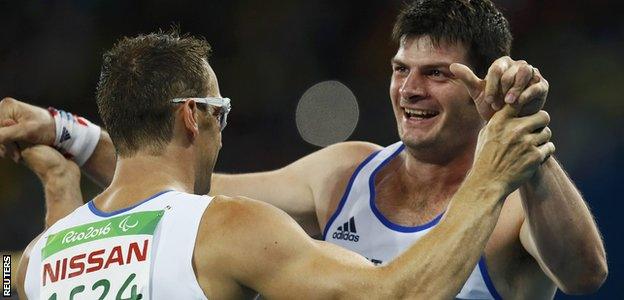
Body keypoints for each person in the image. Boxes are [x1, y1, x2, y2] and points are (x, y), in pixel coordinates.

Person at [0, 0, 607, 298]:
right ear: (194, 117)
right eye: (400, 69)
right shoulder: (341, 173)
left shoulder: (32, 262)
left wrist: (524, 144)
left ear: (482, 88)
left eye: (437, 73)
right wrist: (65, 136)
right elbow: (181, 189)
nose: (410, 88)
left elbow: (585, 275)